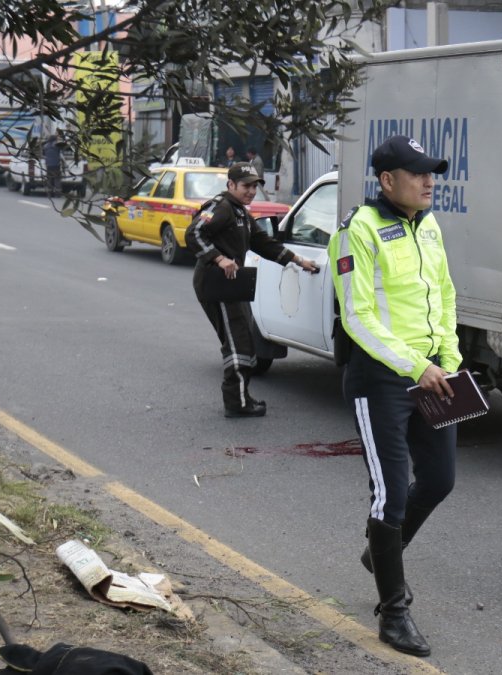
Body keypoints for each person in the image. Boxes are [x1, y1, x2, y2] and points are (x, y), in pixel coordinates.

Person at [327, 135, 459, 657]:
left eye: (431, 173)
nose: (429, 182)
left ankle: (381, 553)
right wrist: (416, 367)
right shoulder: (357, 231)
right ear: (387, 180)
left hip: (433, 372)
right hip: (381, 379)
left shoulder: (428, 225)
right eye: (417, 173)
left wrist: (448, 358)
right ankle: (394, 611)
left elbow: (443, 295)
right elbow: (357, 316)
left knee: (441, 480)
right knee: (391, 495)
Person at [185, 162, 318, 417]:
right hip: (217, 283)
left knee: (243, 340)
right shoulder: (221, 207)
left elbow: (263, 243)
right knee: (238, 343)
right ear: (231, 185)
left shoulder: (240, 213)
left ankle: (241, 397)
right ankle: (236, 403)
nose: (251, 191)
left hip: (233, 283)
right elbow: (194, 233)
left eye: (255, 186)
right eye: (246, 186)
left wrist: (298, 261)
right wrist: (219, 258)